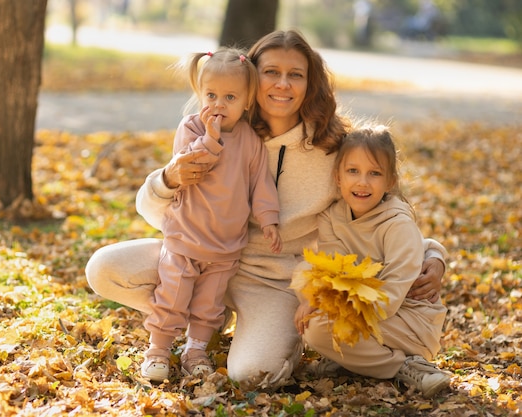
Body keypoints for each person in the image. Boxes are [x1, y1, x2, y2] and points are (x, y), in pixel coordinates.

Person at [85, 29, 446, 390]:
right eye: (272, 72)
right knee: (104, 269)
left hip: (276, 284)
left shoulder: (333, 147)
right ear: (251, 79)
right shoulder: (218, 128)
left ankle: (253, 331)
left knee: (252, 376)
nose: (283, 84)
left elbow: (382, 204)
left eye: (296, 75)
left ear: (310, 83)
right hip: (199, 255)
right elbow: (154, 213)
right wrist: (168, 178)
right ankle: (203, 316)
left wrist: (432, 253)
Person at [140, 48, 282, 383]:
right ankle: (158, 350)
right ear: (200, 95)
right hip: (185, 238)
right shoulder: (191, 128)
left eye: (230, 97)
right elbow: (192, 163)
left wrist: (269, 218)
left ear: (248, 102)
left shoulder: (250, 141)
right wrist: (211, 138)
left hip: (225, 247)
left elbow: (261, 184)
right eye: (211, 95)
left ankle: (196, 350)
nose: (218, 105)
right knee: (171, 297)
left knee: (209, 306)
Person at [293, 124, 450, 398]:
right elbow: (332, 271)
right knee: (309, 300)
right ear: (338, 177)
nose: (362, 182)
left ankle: (406, 364)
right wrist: (315, 299)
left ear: (390, 181)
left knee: (319, 328)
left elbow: (389, 300)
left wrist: (335, 315)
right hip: (363, 310)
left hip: (407, 319)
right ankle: (354, 358)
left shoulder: (397, 224)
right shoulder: (331, 217)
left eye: (374, 173)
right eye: (353, 171)